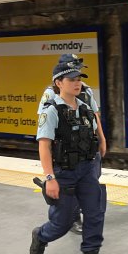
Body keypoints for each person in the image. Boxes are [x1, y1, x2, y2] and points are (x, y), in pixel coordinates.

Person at [30, 58, 111, 254]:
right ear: (59, 83)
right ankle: (41, 235)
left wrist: (99, 147)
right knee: (62, 223)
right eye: (71, 79)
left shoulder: (85, 107)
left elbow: (94, 132)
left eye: (79, 79)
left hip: (87, 168)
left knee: (94, 213)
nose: (77, 83)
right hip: (64, 173)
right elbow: (44, 146)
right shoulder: (51, 110)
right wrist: (50, 178)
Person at [36, 54, 107, 234]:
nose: (78, 77)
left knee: (91, 181)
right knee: (68, 195)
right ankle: (72, 217)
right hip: (66, 151)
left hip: (87, 148)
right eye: (75, 69)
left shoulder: (86, 91)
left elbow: (94, 114)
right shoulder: (51, 93)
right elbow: (45, 122)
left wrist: (101, 138)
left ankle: (84, 213)